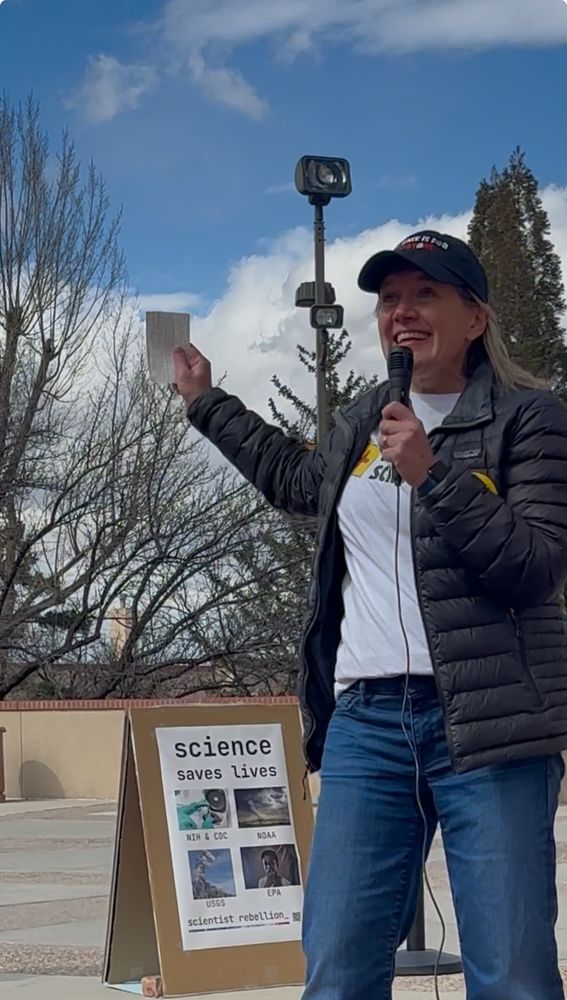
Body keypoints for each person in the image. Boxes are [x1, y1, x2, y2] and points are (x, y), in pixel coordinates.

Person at [172, 229, 567, 1000]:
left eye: (426, 295)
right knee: (338, 965)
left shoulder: (531, 417)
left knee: (512, 974)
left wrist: (432, 472)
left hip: (490, 729)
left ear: (474, 317)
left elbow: (534, 566)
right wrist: (206, 403)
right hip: (367, 725)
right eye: (389, 300)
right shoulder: (362, 421)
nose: (402, 314)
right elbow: (296, 480)